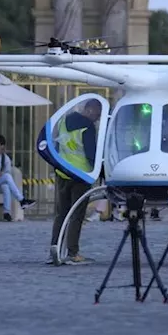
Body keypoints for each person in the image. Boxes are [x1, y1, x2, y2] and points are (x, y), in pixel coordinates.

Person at [48, 99, 101, 265]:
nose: (97, 119)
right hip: (81, 175)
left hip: (63, 173)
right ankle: (73, 252)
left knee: (61, 214)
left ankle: (54, 249)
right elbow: (91, 153)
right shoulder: (88, 127)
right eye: (97, 115)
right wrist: (98, 171)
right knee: (76, 215)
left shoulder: (64, 121)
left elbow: (57, 144)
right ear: (90, 110)